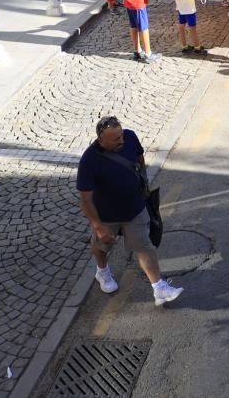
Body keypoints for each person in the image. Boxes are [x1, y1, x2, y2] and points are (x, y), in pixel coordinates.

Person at [77, 116, 183, 306]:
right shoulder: (89, 160)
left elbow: (139, 160)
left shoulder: (130, 137)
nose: (121, 141)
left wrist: (142, 182)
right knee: (101, 246)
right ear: (101, 140)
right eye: (116, 139)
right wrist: (98, 226)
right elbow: (85, 198)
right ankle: (102, 272)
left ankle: (159, 288)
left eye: (121, 136)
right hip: (107, 215)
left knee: (145, 247)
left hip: (135, 209)